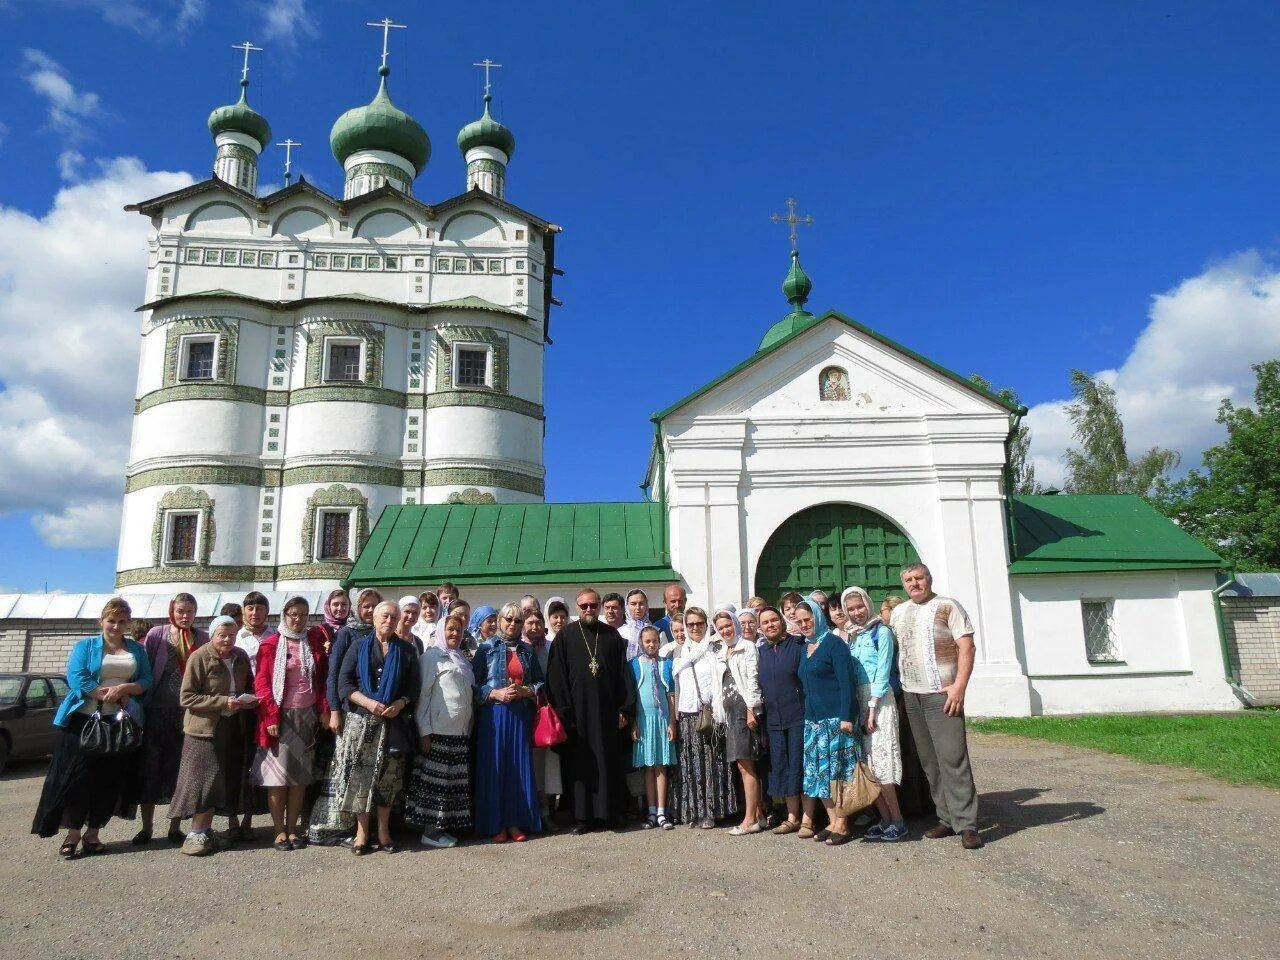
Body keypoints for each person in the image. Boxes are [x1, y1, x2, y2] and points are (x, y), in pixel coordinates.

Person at [32, 598, 152, 856]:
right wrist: (101, 693)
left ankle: (93, 833)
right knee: (78, 779)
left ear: (128, 623)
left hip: (119, 722)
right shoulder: (86, 646)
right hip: (82, 721)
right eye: (111, 620)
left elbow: (146, 678)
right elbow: (76, 677)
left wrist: (126, 689)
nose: (116, 626)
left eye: (121, 621)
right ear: (102, 622)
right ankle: (73, 834)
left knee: (110, 780)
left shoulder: (136, 650)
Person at [891, 563, 983, 849]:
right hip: (911, 694)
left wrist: (959, 687)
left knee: (953, 758)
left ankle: (967, 823)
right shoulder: (899, 612)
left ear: (928, 579)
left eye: (919, 578)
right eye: (909, 580)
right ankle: (945, 817)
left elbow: (967, 647)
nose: (914, 583)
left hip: (942, 694)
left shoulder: (948, 606)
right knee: (929, 761)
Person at [546, 587, 637, 833]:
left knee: (609, 763)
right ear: (578, 607)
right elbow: (556, 679)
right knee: (580, 766)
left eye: (593, 606)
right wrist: (565, 712)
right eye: (584, 606)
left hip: (608, 714)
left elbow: (623, 675)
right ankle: (582, 818)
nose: (589, 610)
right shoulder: (565, 637)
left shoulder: (611, 636)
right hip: (577, 716)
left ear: (599, 607)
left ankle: (611, 814)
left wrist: (625, 709)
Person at [337, 600, 420, 854]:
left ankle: (383, 830)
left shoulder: (406, 650)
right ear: (373, 618)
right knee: (361, 778)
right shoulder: (358, 646)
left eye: (394, 618)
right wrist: (367, 702)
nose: (389, 621)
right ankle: (362, 832)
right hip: (362, 721)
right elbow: (344, 682)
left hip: (393, 723)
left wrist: (399, 703)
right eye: (384, 616)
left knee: (388, 779)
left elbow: (414, 687)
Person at [169, 615, 256, 856]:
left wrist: (247, 701)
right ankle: (196, 831)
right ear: (212, 635)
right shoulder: (199, 657)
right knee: (202, 780)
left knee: (223, 779)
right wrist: (222, 701)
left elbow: (247, 686)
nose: (228, 640)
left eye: (232, 635)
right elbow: (186, 697)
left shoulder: (240, 657)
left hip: (232, 726)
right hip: (203, 729)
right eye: (222, 635)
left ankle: (208, 831)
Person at [252, 595, 329, 851]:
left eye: (303, 615)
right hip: (280, 716)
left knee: (299, 776)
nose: (298, 619)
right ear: (284, 616)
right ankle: (278, 831)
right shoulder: (271, 644)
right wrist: (270, 717)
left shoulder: (314, 642)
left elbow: (323, 678)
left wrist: (323, 710)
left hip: (306, 715)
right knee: (277, 776)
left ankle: (293, 829)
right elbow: (262, 684)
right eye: (293, 614)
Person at [308, 588, 380, 846]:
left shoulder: (381, 634)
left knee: (368, 771)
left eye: (374, 606)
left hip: (374, 715)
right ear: (358, 609)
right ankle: (337, 827)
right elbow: (335, 675)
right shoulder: (348, 633)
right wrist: (335, 711)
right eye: (365, 606)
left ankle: (364, 827)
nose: (370, 611)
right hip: (350, 713)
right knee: (345, 768)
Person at [135, 592, 208, 845]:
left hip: (187, 715)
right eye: (180, 611)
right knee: (151, 769)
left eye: (189, 611)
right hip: (157, 711)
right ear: (172, 611)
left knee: (180, 771)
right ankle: (146, 827)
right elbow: (144, 668)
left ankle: (175, 826)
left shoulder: (202, 638)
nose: (184, 616)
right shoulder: (157, 634)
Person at [472, 602, 543, 842]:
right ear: (500, 621)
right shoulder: (485, 648)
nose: (512, 624)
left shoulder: (527, 650)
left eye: (517, 621)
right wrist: (494, 694)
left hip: (519, 716)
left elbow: (539, 683)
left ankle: (515, 822)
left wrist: (526, 691)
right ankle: (495, 824)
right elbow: (474, 686)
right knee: (495, 769)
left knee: (517, 769)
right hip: (494, 716)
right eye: (508, 619)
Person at [841, 586, 906, 841]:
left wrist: (872, 707)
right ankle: (884, 817)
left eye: (860, 607)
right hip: (859, 699)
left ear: (868, 604)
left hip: (878, 700)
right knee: (867, 764)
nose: (857, 613)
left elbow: (882, 671)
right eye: (851, 609)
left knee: (882, 760)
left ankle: (898, 819)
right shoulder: (853, 636)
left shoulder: (882, 632)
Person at [796, 598, 861, 846]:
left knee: (838, 774)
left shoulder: (835, 645)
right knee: (820, 775)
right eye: (800, 621)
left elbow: (847, 684)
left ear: (818, 617)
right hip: (813, 723)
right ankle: (832, 821)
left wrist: (847, 716)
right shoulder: (805, 647)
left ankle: (843, 824)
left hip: (835, 721)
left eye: (808, 619)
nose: (804, 624)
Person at [405, 614, 474, 848]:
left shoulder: (460, 659)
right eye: (450, 630)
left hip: (459, 732)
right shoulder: (431, 658)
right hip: (438, 731)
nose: (454, 634)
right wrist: (424, 731)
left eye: (459, 630)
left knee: (450, 785)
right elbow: (422, 697)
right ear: (441, 631)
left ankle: (441, 829)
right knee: (435, 784)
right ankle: (430, 832)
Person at [670, 606, 737, 828]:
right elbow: (676, 686)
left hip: (712, 712)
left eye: (699, 623)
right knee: (692, 764)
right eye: (691, 624)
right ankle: (693, 811)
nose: (695, 628)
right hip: (688, 714)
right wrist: (676, 716)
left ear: (706, 624)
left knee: (712, 761)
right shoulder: (679, 652)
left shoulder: (714, 648)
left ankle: (713, 811)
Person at [711, 608, 765, 835]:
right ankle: (759, 815)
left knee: (746, 766)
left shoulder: (747, 646)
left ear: (735, 624)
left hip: (744, 711)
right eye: (721, 627)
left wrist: (753, 708)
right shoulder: (722, 650)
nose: (725, 630)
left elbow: (753, 678)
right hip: (729, 714)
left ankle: (750, 819)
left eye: (728, 625)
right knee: (742, 765)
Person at [757, 605, 806, 834]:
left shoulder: (797, 646)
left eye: (773, 620)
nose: (770, 625)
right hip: (774, 720)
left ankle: (807, 818)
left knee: (800, 765)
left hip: (798, 716)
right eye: (765, 622)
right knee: (782, 767)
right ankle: (791, 816)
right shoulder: (762, 651)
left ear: (782, 621)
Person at [230, 590, 271, 841]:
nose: (255, 614)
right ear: (243, 612)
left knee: (260, 759)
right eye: (250, 609)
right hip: (238, 705)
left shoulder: (274, 636)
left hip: (265, 705)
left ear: (267, 611)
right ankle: (233, 817)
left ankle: (250, 817)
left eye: (259, 609)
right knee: (236, 759)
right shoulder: (234, 637)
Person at [630, 626, 676, 830]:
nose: (651, 644)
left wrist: (672, 723)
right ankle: (650, 810)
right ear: (641, 643)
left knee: (661, 767)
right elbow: (632, 697)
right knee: (648, 767)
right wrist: (633, 723)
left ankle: (661, 812)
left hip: (662, 721)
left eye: (655, 641)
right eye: (647, 641)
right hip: (643, 721)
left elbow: (671, 695)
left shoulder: (666, 664)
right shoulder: (634, 665)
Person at [524, 610, 561, 831]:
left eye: (538, 622)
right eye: (530, 622)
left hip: (547, 713)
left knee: (548, 766)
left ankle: (549, 811)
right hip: (526, 712)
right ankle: (534, 813)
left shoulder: (550, 647)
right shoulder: (520, 649)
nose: (535, 626)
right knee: (532, 765)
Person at [618, 589, 651, 661]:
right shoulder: (620, 632)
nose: (638, 608)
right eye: (633, 604)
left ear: (646, 606)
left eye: (641, 603)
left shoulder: (656, 631)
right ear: (627, 606)